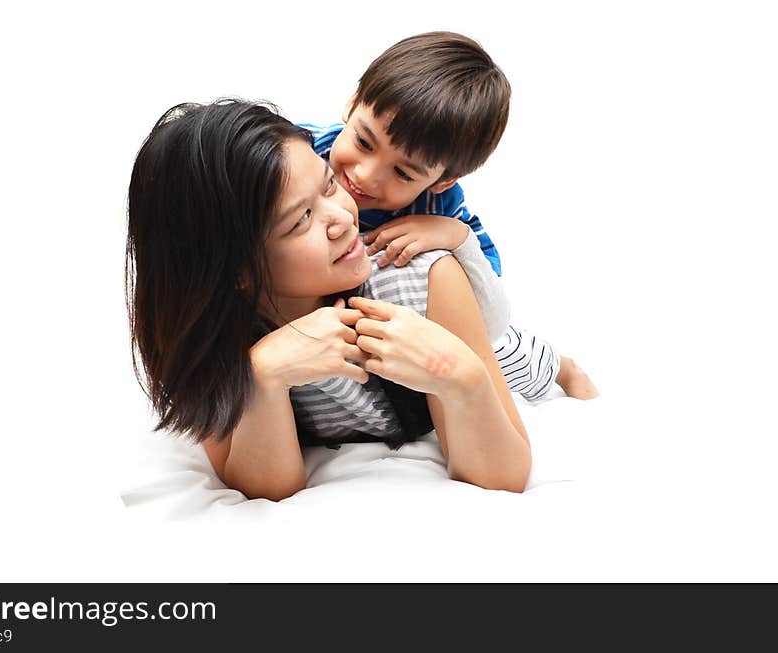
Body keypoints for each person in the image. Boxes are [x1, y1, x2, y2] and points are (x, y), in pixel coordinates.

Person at [126, 99, 531, 501]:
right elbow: (267, 490)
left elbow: (504, 476)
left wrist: (463, 377)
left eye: (329, 185)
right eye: (301, 220)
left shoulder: (425, 281)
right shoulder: (211, 338)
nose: (342, 218)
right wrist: (264, 377)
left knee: (531, 363)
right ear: (236, 272)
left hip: (500, 345)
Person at [299, 31, 598, 401]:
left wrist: (456, 236)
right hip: (311, 294)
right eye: (363, 142)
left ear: (441, 181)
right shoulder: (302, 151)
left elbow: (488, 314)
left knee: (487, 351)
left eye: (404, 174)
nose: (365, 174)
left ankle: (561, 367)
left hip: (400, 312)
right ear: (353, 102)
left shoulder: (440, 206)